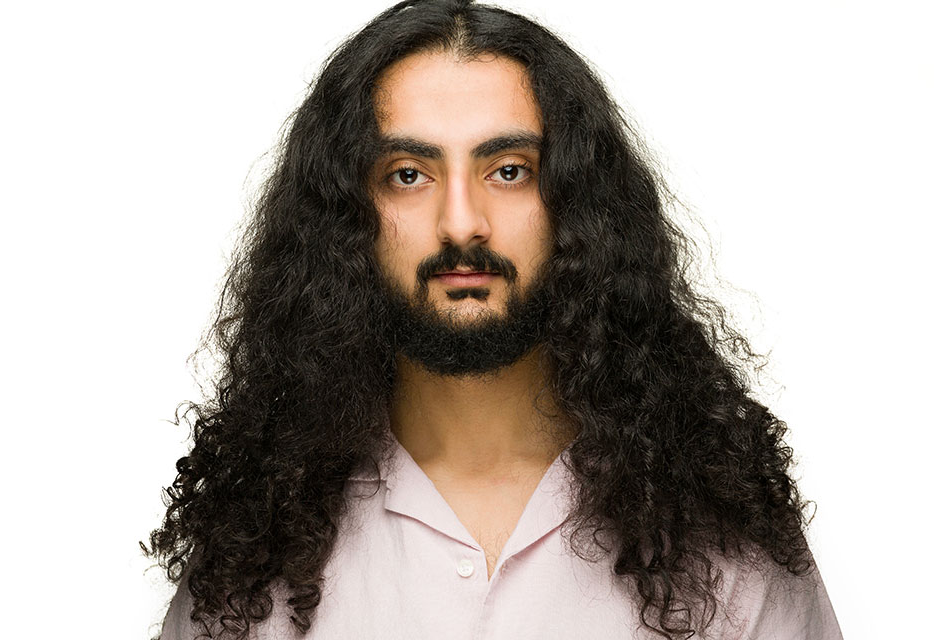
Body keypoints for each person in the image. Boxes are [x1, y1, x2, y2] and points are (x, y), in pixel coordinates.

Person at [144, 1, 844, 638]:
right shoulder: (255, 545)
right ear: (345, 221)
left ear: (577, 204)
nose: (461, 223)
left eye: (508, 170)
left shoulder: (722, 541)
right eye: (408, 174)